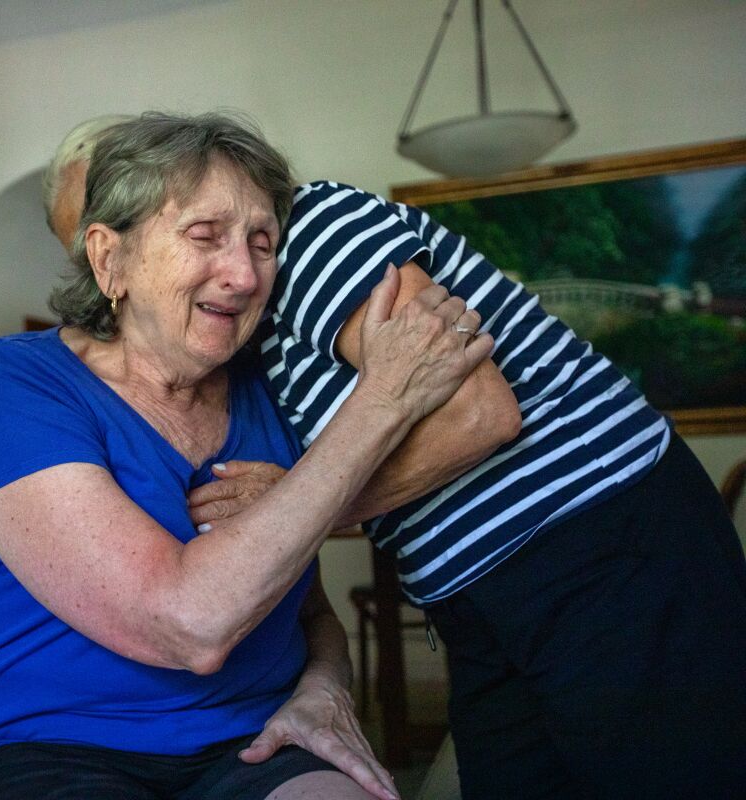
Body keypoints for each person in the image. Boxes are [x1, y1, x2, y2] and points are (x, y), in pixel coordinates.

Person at [48, 116, 746, 799]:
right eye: (83, 249)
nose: (98, 272)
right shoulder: (234, 330)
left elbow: (481, 414)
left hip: (601, 538)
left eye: (106, 231)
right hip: (481, 589)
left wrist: (296, 505)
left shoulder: (315, 232)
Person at [0, 112, 500, 800]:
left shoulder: (272, 396)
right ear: (110, 260)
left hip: (251, 742)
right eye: (205, 236)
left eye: (262, 242)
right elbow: (186, 625)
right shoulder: (9, 381)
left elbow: (308, 613)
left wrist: (322, 687)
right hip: (40, 745)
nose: (245, 275)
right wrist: (382, 402)